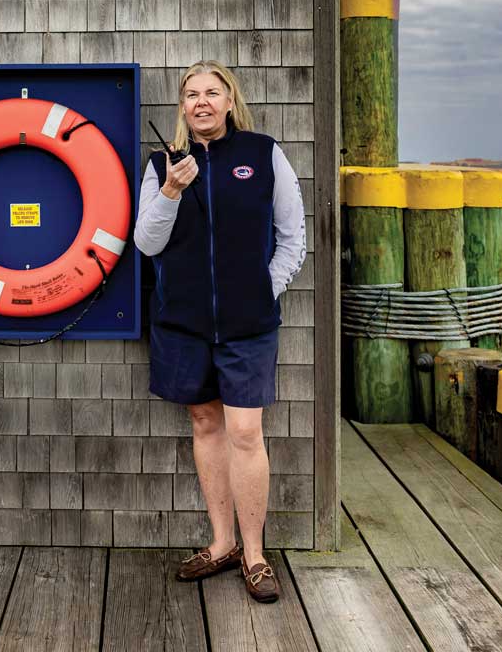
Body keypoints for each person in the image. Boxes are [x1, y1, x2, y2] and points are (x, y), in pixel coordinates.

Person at [134, 60, 307, 604]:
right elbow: (146, 243)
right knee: (205, 423)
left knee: (245, 433)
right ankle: (222, 542)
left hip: (248, 325)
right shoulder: (163, 165)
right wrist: (169, 193)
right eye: (191, 94)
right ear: (182, 106)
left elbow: (292, 236)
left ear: (230, 100)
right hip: (182, 323)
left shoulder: (263, 154)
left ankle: (255, 556)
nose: (202, 102)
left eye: (212, 92)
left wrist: (264, 289)